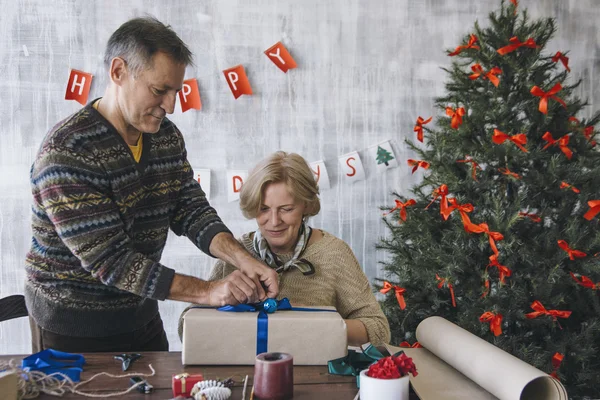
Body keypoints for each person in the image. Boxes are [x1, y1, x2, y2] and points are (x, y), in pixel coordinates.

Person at [24, 16, 278, 353]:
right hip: (72, 325)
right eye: (159, 90)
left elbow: (189, 208)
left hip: (140, 314)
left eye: (177, 91)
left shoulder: (165, 137)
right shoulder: (68, 151)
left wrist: (244, 259)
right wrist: (209, 291)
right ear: (118, 72)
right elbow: (112, 261)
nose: (171, 106)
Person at [180, 151, 391, 346]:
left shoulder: (334, 253)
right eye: (263, 209)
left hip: (317, 375)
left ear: (306, 206)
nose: (273, 221)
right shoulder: (236, 252)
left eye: (286, 209)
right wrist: (224, 307)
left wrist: (318, 327)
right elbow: (184, 327)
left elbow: (379, 330)